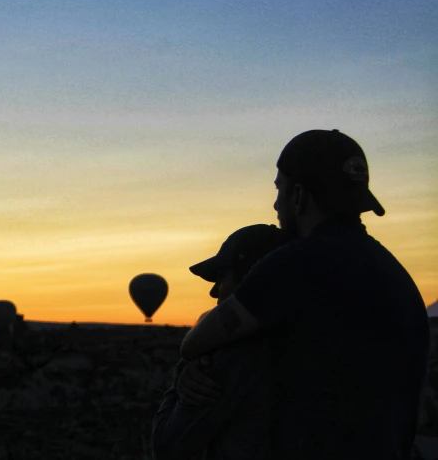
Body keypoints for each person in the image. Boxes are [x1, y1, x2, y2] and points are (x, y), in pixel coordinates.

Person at [179, 129, 430, 460]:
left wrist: (202, 364)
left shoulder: (296, 264)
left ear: (298, 196)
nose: (275, 203)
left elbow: (195, 342)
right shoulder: (395, 274)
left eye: (279, 189)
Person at [152, 224, 292, 460]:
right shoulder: (311, 341)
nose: (214, 291)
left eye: (221, 277)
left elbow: (167, 446)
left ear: (250, 281)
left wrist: (183, 374)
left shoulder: (232, 357)